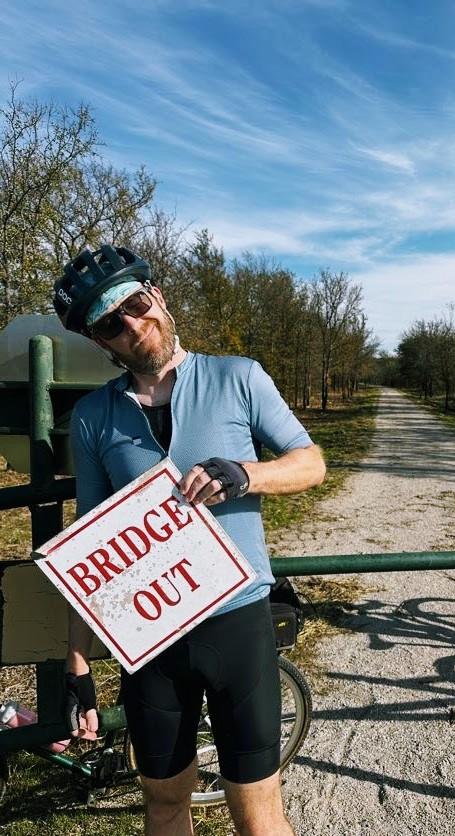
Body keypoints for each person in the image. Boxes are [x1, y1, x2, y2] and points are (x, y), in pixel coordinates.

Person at [52, 244, 326, 836]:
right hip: (150, 641)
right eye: (110, 323)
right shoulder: (94, 416)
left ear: (158, 296)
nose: (132, 326)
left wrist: (246, 474)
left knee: (258, 811)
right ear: (99, 340)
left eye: (135, 304)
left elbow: (311, 463)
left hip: (237, 622)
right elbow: (87, 552)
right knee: (164, 803)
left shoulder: (238, 376)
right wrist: (77, 662)